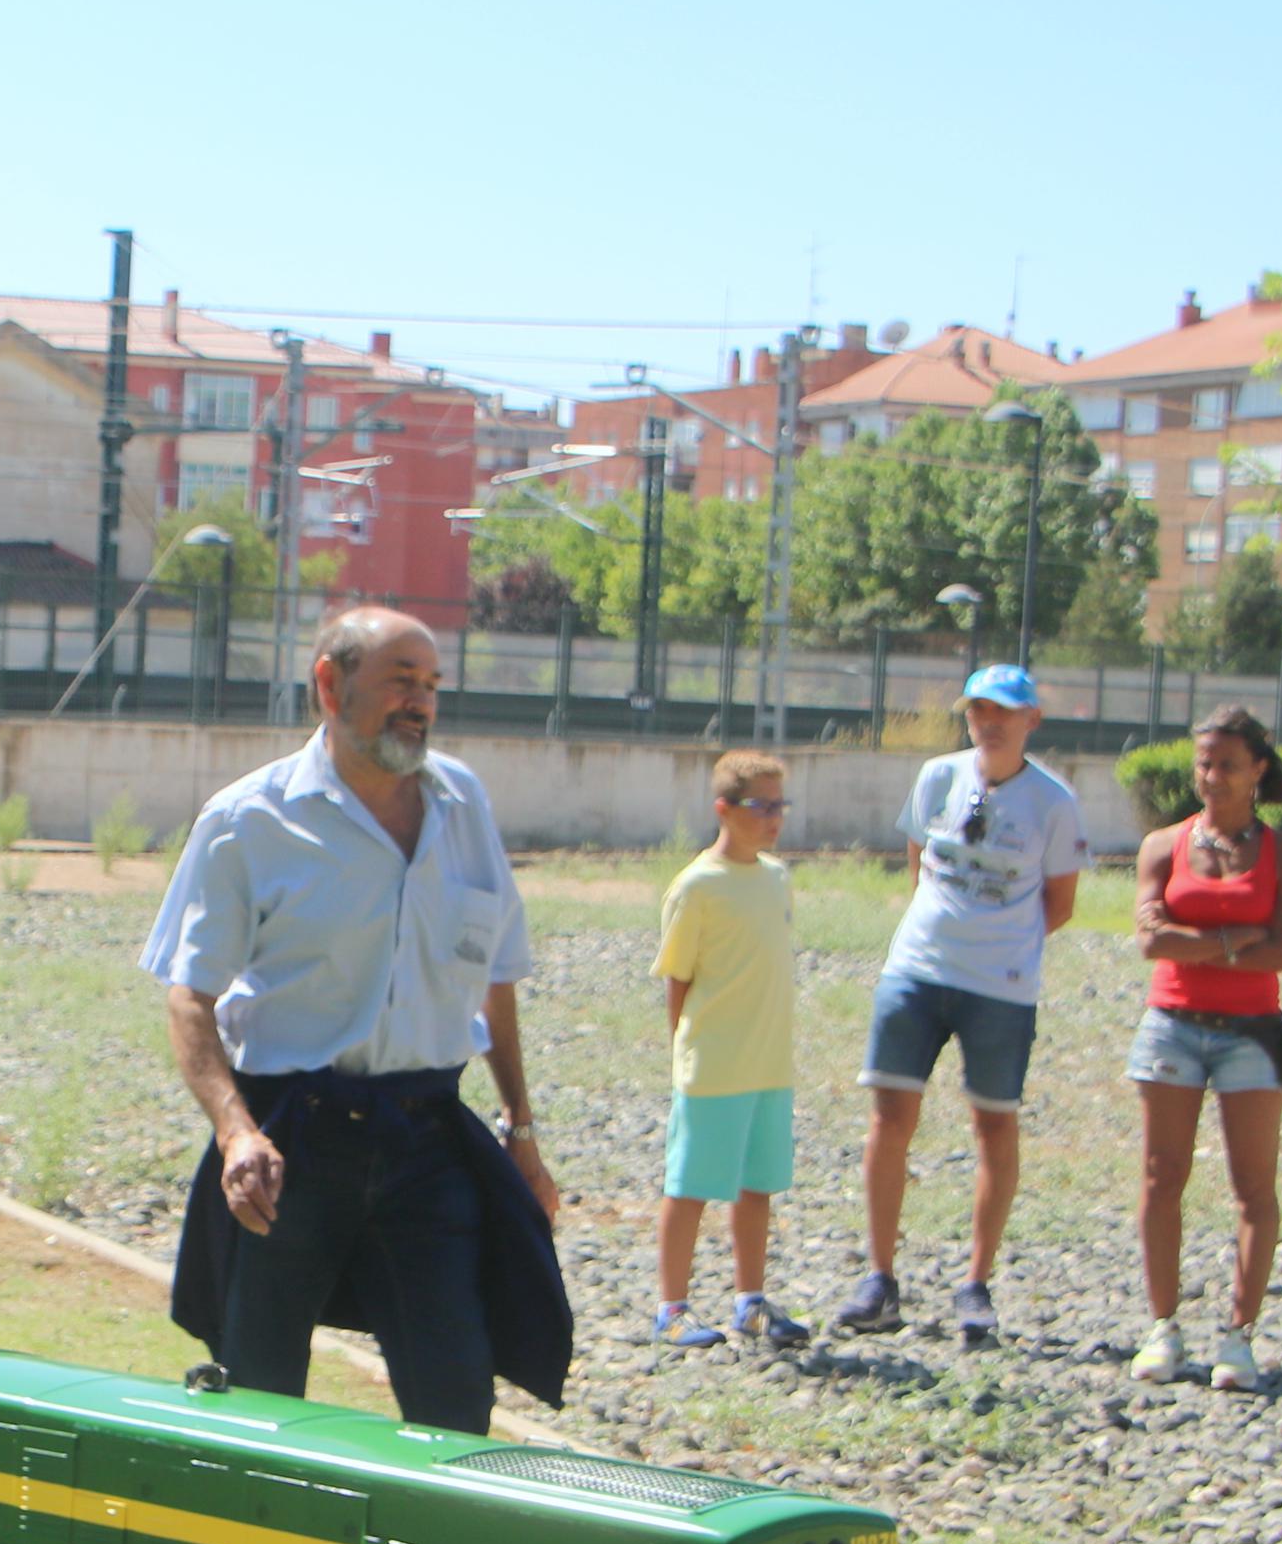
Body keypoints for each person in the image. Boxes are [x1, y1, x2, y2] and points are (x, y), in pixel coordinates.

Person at [140, 608, 571, 1432]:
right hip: (290, 1146)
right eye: (400, 682)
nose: (420, 704)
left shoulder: (462, 803)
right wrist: (235, 1133)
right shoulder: (247, 820)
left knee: (455, 1401)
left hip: (427, 1142)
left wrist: (521, 1129)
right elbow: (188, 996)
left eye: (431, 687)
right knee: (259, 1401)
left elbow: (496, 981)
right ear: (329, 686)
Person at [838, 663, 1088, 1351]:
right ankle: (879, 1277)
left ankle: (975, 1283)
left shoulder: (1053, 802)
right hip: (915, 970)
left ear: (1031, 720)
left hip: (1000, 985)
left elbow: (1059, 904)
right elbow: (918, 866)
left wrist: (996, 942)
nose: (989, 721)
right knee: (889, 1117)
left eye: (1004, 710)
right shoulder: (937, 778)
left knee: (992, 1126)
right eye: (978, 709)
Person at [1126, 706, 1282, 1392]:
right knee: (1159, 1175)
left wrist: (1193, 936)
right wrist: (1238, 940)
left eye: (1227, 764)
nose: (1211, 777)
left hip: (1252, 1034)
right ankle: (1162, 1327)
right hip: (1171, 1022)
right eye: (1203, 763)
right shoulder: (1161, 845)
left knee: (1252, 1186)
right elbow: (1150, 940)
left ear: (1258, 769)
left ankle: (1238, 1337)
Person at [651, 750, 809, 1352]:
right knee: (690, 1184)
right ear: (723, 809)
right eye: (760, 805)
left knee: (757, 1184)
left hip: (767, 1063)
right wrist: (687, 1051)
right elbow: (679, 980)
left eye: (779, 805)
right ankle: (671, 1308)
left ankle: (750, 1301)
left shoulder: (775, 877)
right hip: (714, 1064)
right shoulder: (696, 887)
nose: (774, 817)